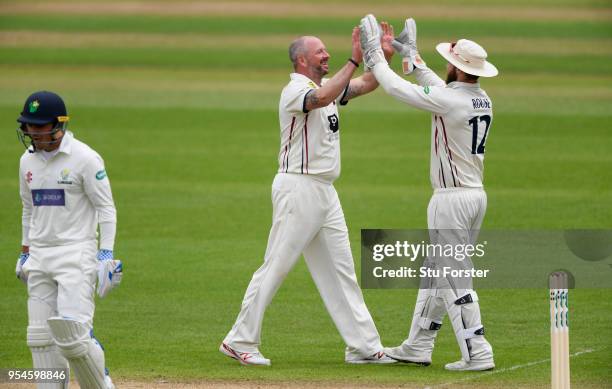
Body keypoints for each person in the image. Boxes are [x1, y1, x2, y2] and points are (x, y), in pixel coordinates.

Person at [220, 26, 397, 366]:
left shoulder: (325, 87)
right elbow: (323, 98)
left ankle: (363, 345)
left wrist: (383, 58)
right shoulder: (295, 90)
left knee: (341, 270)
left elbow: (364, 84)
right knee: (277, 266)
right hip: (298, 188)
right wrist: (353, 59)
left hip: (324, 192)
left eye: (327, 51)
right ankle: (239, 340)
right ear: (302, 60)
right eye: (320, 52)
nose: (326, 55)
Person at [359, 15, 498, 371]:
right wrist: (413, 59)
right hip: (474, 196)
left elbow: (395, 90)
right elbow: (439, 90)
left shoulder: (451, 101)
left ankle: (478, 350)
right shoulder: (480, 99)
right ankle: (418, 345)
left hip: (450, 199)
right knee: (436, 271)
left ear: (454, 68)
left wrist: (375, 57)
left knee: (453, 274)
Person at [15, 91, 123, 388]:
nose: (33, 132)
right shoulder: (27, 162)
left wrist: (105, 254)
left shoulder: (85, 158)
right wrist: (25, 251)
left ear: (59, 124)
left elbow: (106, 208)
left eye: (40, 126)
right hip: (40, 255)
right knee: (39, 338)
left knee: (73, 339)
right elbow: (28, 209)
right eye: (29, 126)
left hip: (76, 254)